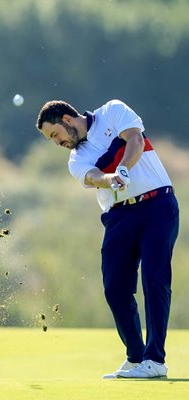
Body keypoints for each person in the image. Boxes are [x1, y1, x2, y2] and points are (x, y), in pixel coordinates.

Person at [36, 99, 179, 379]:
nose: (56, 142)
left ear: (67, 119)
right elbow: (92, 177)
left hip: (157, 205)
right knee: (115, 288)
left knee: (154, 278)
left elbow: (135, 140)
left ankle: (155, 360)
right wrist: (110, 179)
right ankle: (136, 356)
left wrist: (123, 169)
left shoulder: (112, 111)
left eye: (55, 134)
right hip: (119, 217)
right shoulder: (77, 158)